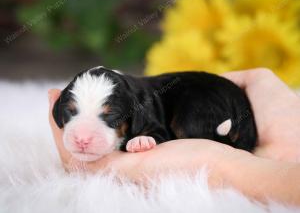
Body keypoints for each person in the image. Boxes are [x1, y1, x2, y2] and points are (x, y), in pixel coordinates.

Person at [48, 68, 300, 205]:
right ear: (60, 112)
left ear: (132, 113)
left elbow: (156, 131)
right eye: (71, 114)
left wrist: (225, 165)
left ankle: (222, 139)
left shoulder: (143, 108)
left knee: (187, 120)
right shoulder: (132, 101)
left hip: (204, 96)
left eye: (109, 116)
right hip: (226, 113)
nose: (82, 136)